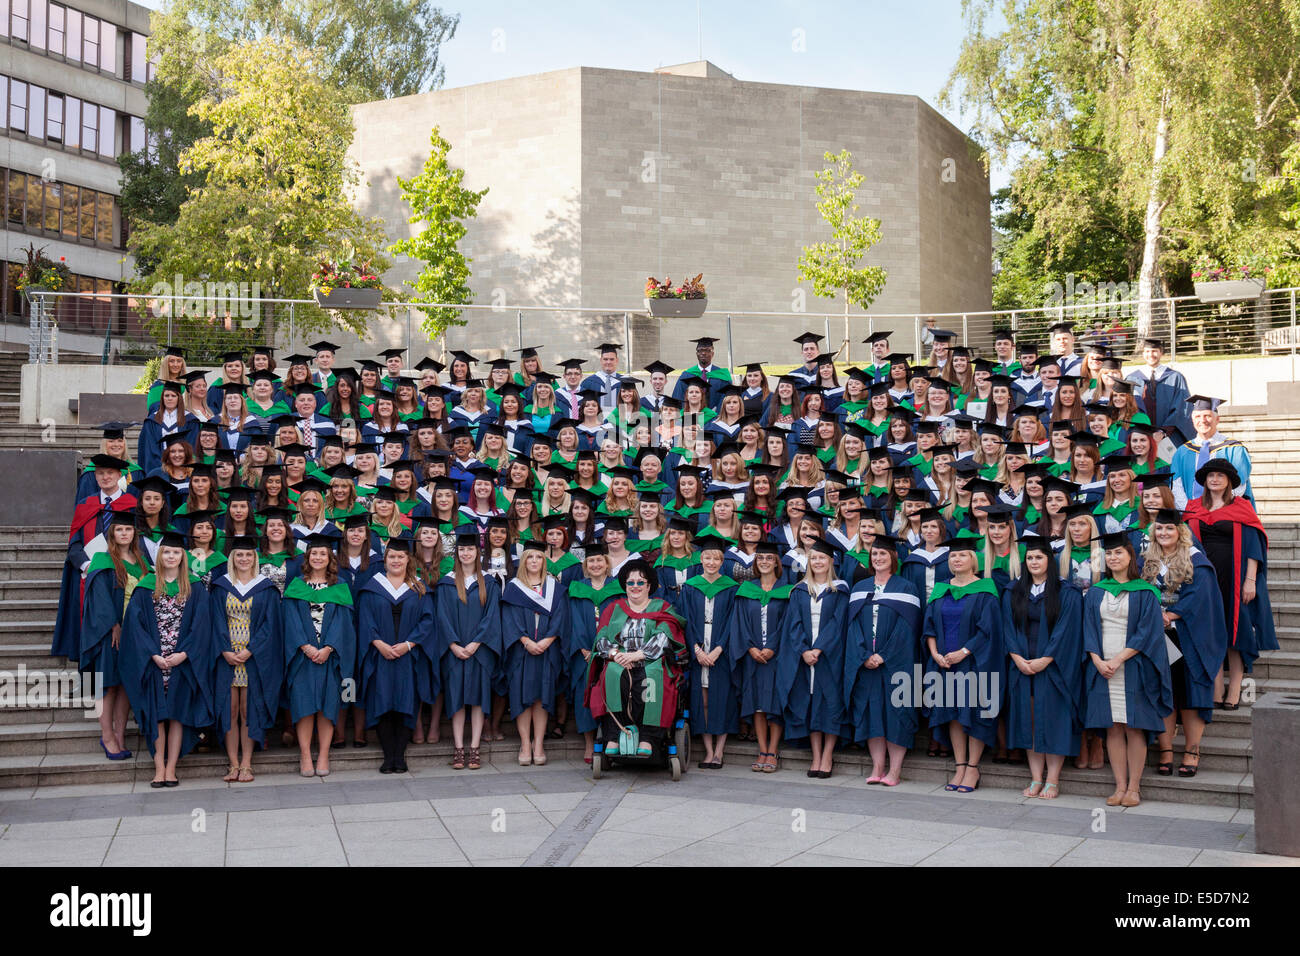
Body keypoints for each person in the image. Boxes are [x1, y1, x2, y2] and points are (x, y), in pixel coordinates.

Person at [1082, 533, 1173, 808]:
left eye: (1119, 553)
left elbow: (1148, 632)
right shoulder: (1096, 591)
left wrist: (1118, 659)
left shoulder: (1145, 591)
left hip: (1134, 666)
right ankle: (1119, 786)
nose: (1113, 557)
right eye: (1109, 554)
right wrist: (1097, 660)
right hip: (1102, 667)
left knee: (1134, 727)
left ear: (1130, 556)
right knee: (1112, 728)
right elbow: (1087, 627)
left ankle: (1134, 787)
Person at [120, 531, 214, 788]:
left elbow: (202, 626)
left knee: (177, 715)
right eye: (166, 552)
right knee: (157, 715)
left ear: (183, 556)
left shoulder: (194, 586)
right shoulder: (146, 585)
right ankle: (158, 766)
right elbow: (135, 627)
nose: (171, 556)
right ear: (159, 556)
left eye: (175, 552)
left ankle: (171, 767)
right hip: (154, 661)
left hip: (182, 661)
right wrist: (153, 654)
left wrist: (184, 654)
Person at [1141, 509, 1228, 778]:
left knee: (1191, 695)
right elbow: (1141, 591)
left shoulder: (1195, 560)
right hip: (1160, 637)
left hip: (1189, 636)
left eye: (1169, 529)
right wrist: (1153, 613)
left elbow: (1202, 596)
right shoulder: (1148, 560)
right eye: (1159, 529)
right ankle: (1166, 750)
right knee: (1165, 693)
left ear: (1180, 531)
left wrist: (1169, 615)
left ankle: (1192, 750)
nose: (1164, 533)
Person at [1184, 459, 1276, 710]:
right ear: (1204, 480)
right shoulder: (1192, 508)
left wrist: (1250, 580)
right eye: (1210, 475)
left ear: (1228, 481)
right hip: (1203, 581)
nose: (1214, 479)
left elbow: (1254, 546)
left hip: (1234, 579)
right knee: (1210, 631)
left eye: (1220, 476)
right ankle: (1216, 687)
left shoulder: (1241, 507)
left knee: (1237, 632)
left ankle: (1234, 686)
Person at [999, 537, 1083, 798]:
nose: (1034, 562)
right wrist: (1016, 657)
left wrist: (1046, 659)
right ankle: (1036, 778)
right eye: (1030, 558)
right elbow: (1007, 627)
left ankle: (1053, 779)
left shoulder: (1066, 592)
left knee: (1053, 720)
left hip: (1053, 667)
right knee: (1030, 721)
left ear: (1050, 560)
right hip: (1022, 665)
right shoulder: (1014, 591)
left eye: (1039, 557)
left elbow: (1067, 630)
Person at [922, 535, 1003, 794]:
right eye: (953, 556)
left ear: (974, 560)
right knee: (954, 715)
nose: (957, 559)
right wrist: (934, 653)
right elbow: (930, 625)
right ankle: (959, 764)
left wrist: (964, 652)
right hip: (944, 663)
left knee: (973, 713)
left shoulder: (985, 589)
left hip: (973, 663)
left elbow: (988, 629)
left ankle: (973, 767)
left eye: (963, 555)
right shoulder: (940, 589)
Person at [586, 559, 687, 757]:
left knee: (653, 676)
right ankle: (614, 735)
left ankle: (648, 737)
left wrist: (637, 655)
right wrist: (616, 655)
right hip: (619, 660)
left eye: (640, 582)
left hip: (651, 660)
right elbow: (601, 638)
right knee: (612, 675)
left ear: (649, 585)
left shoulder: (661, 607)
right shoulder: (614, 609)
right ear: (624, 585)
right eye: (630, 583)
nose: (635, 587)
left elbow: (664, 637)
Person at [845, 535, 923, 785]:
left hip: (896, 664)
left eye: (883, 554)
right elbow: (853, 626)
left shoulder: (906, 587)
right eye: (875, 554)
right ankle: (877, 766)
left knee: (896, 713)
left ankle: (895, 770)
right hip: (865, 664)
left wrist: (884, 655)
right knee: (871, 714)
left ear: (893, 558)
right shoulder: (860, 588)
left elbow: (907, 628)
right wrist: (864, 655)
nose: (878, 558)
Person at [356, 538, 437, 774]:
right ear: (385, 559)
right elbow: (365, 619)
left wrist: (409, 645)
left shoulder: (419, 587)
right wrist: (379, 644)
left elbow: (427, 621)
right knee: (383, 703)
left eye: (401, 557)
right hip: (380, 656)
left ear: (408, 560)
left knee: (405, 703)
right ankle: (387, 756)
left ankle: (399, 756)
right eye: (392, 556)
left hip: (408, 657)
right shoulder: (372, 587)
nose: (396, 560)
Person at [281, 534, 356, 777]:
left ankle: (323, 754)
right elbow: (290, 621)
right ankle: (305, 755)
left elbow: (344, 623)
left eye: (323, 554)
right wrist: (305, 647)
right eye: (314, 553)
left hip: (330, 658)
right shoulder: (296, 586)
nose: (318, 557)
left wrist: (328, 648)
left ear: (330, 558)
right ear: (307, 557)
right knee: (304, 706)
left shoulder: (340, 587)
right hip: (303, 658)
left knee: (327, 707)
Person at [210, 536, 284, 783]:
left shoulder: (265, 587)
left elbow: (270, 624)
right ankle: (232, 764)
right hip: (227, 655)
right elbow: (215, 620)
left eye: (249, 555)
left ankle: (247, 764)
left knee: (248, 709)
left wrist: (251, 650)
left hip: (254, 657)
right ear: (232, 558)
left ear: (255, 558)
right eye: (239, 555)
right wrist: (224, 649)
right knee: (230, 709)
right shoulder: (221, 586)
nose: (244, 559)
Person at [776, 539, 850, 778]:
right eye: (814, 559)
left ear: (831, 562)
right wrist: (803, 650)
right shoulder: (799, 590)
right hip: (804, 657)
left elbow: (838, 623)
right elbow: (793, 624)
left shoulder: (839, 590)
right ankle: (816, 755)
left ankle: (828, 755)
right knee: (811, 705)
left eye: (822, 559)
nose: (818, 562)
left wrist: (818, 649)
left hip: (830, 657)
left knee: (829, 704)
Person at [80, 510, 150, 761]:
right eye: (119, 529)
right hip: (109, 632)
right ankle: (107, 735)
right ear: (112, 533)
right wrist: (113, 625)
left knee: (125, 686)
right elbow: (98, 596)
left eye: (128, 529)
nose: (124, 533)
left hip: (135, 633)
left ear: (134, 533)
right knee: (106, 685)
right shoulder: (102, 559)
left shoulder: (141, 561)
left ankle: (120, 736)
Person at [436, 531, 504, 771]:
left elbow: (492, 617)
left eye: (470, 550)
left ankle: (474, 747)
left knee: (477, 700)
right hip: (454, 651)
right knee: (456, 699)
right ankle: (458, 747)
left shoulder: (489, 582)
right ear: (457, 553)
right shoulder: (446, 582)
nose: (466, 553)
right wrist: (453, 644)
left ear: (478, 553)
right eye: (462, 550)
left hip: (480, 651)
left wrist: (476, 643)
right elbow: (442, 617)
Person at [501, 540, 568, 766]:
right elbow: (508, 618)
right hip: (522, 651)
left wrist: (547, 641)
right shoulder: (513, 588)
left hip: (547, 651)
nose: (534, 561)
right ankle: (525, 744)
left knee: (541, 696)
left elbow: (561, 616)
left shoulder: (555, 588)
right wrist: (526, 641)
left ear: (544, 561)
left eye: (538, 557)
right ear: (523, 560)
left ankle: (538, 743)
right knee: (522, 697)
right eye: (530, 557)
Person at [677, 536, 740, 768]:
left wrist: (717, 651)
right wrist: (696, 650)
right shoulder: (691, 586)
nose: (711, 562)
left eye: (716, 558)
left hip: (720, 652)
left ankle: (720, 752)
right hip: (698, 650)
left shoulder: (732, 587)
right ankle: (708, 750)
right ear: (700, 559)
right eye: (707, 557)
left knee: (721, 700)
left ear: (722, 561)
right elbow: (686, 620)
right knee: (701, 701)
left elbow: (734, 622)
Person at [728, 542, 791, 772]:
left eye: (769, 558)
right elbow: (740, 623)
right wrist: (750, 648)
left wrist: (772, 647)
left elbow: (788, 623)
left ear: (776, 562)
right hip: (752, 657)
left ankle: (773, 751)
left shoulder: (787, 591)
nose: (764, 561)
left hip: (776, 657)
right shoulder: (746, 590)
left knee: (773, 705)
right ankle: (762, 750)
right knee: (756, 704)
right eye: (761, 558)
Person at [1170, 395, 1255, 505]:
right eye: (1198, 417)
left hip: (1226, 513)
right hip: (1191, 514)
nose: (1202, 420)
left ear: (1217, 419)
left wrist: (1219, 508)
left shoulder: (1234, 449)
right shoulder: (1182, 452)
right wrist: (1189, 510)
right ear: (1192, 420)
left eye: (1207, 416)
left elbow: (1239, 484)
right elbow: (1176, 486)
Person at [1125, 337, 1193, 441]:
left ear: (1161, 353)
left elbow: (1182, 408)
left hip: (1169, 436)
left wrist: (1163, 431)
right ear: (1143, 354)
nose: (1151, 355)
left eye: (1154, 351)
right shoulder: (1132, 378)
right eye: (1147, 351)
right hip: (1139, 436)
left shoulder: (1175, 377)